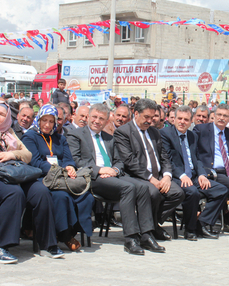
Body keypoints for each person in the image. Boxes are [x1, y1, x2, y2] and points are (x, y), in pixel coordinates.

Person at [0, 100, 64, 264]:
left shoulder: (8, 132)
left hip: (13, 174)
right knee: (14, 193)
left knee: (41, 191)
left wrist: (12, 154)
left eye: (2, 114)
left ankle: (47, 244)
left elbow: (27, 154)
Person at [67, 104, 164, 255]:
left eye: (101, 119)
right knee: (128, 188)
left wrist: (114, 170)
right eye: (94, 117)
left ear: (107, 121)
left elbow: (119, 160)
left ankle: (146, 234)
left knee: (143, 187)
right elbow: (77, 161)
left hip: (113, 175)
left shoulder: (109, 138)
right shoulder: (76, 135)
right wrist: (100, 170)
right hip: (92, 177)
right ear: (88, 117)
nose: (97, 121)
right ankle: (131, 238)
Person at [22, 105, 94, 251]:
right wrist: (59, 171)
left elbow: (68, 158)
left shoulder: (59, 138)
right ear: (39, 119)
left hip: (62, 177)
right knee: (61, 196)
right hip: (42, 178)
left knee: (85, 196)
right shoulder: (30, 137)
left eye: (51, 121)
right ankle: (65, 234)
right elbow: (35, 161)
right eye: (44, 120)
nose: (47, 125)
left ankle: (72, 230)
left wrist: (69, 167)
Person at [114, 99, 184, 241]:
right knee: (153, 193)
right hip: (138, 177)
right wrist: (150, 178)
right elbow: (129, 161)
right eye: (146, 117)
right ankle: (150, 229)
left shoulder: (155, 132)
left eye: (152, 118)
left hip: (158, 176)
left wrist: (167, 176)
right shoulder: (123, 132)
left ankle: (150, 224)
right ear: (136, 113)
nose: (149, 121)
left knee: (178, 193)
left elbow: (164, 156)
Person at [161, 106, 228, 241]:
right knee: (192, 192)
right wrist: (182, 175)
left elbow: (197, 158)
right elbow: (167, 160)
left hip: (193, 176)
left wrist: (202, 174)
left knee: (221, 190)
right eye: (179, 118)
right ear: (174, 119)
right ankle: (190, 230)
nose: (182, 122)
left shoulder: (192, 135)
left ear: (191, 121)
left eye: (186, 119)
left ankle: (201, 224)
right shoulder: (165, 134)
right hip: (176, 177)